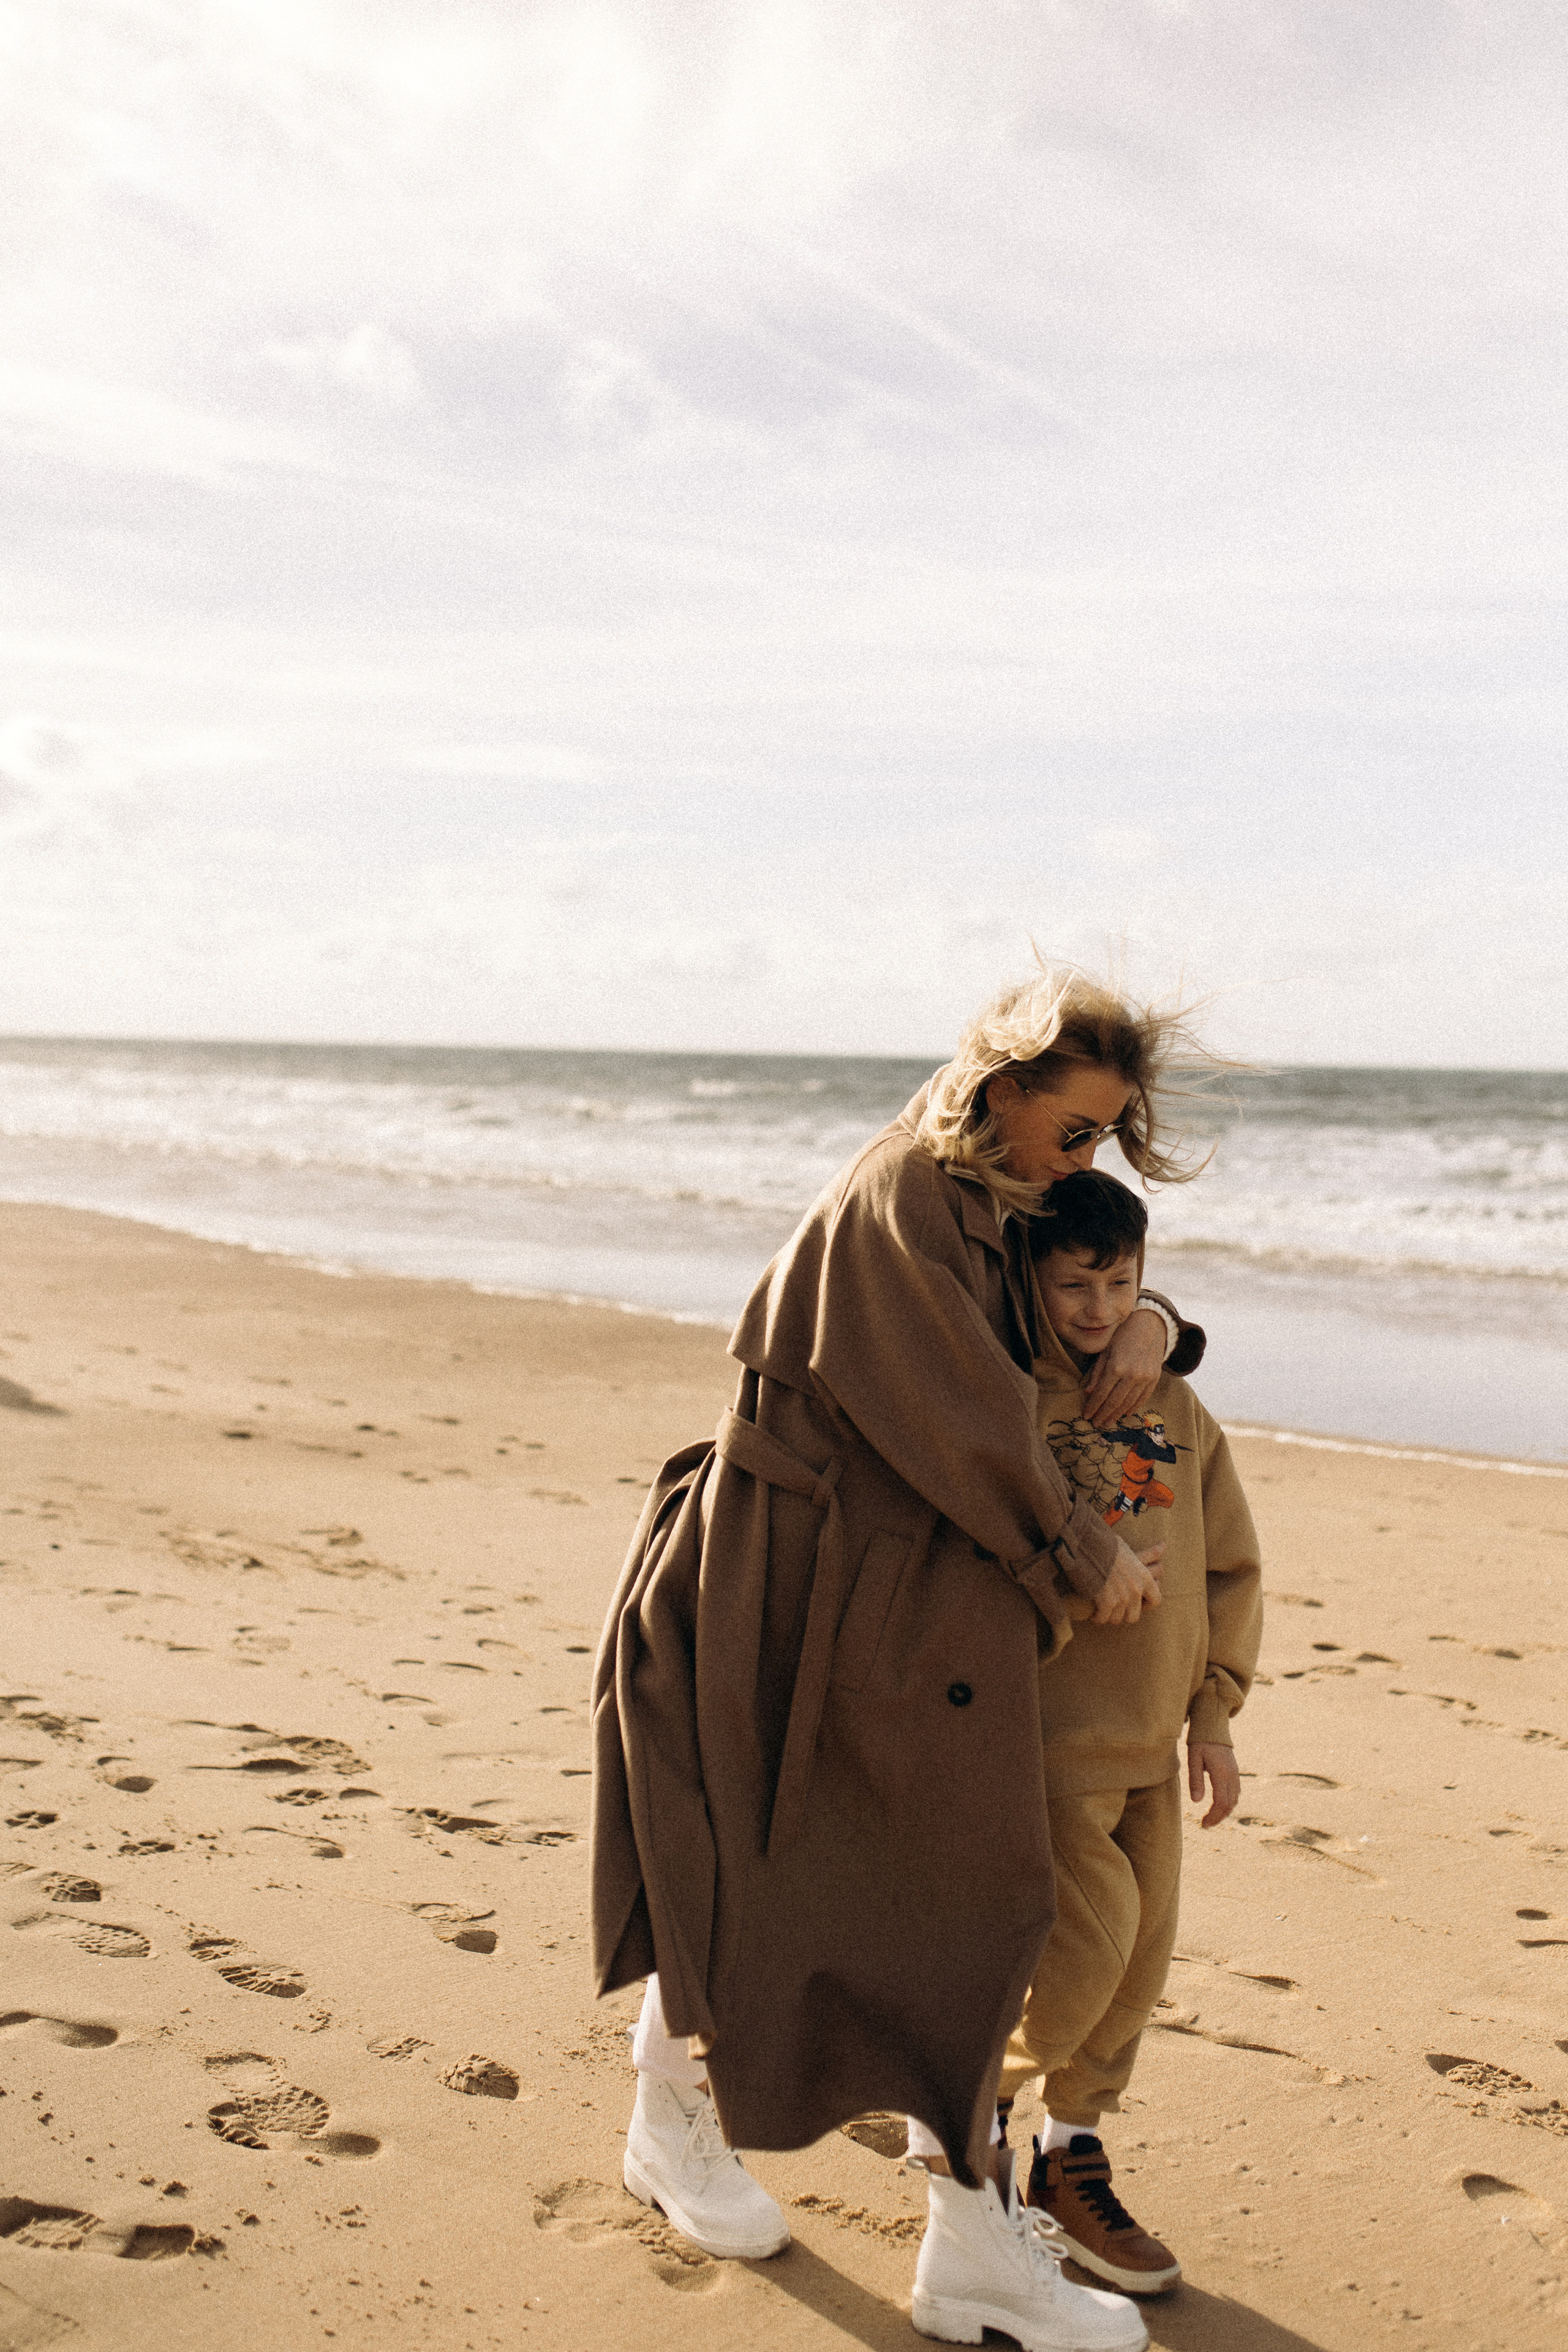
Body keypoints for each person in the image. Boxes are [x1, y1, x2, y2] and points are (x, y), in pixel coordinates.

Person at [592, 962, 1216, 2352]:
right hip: (786, 1578)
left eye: (1107, 1135)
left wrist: (1166, 1319)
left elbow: (1069, 1305)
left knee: (929, 1895)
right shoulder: (905, 1193)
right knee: (790, 1866)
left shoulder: (983, 1191)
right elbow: (965, 1417)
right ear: (1004, 1086)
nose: (1089, 1158)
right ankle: (695, 2136)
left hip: (875, 1592)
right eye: (1077, 1127)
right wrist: (1078, 1551)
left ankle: (963, 2243)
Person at [991, 1169, 1262, 2297]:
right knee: (1088, 1947)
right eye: (1074, 1285)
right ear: (1028, 1281)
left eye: (1121, 1285)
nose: (1099, 1309)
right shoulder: (1005, 1406)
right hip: (1051, 1742)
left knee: (1142, 1968)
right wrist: (1063, 1592)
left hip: (1157, 1744)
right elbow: (971, 1574)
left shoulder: (1179, 1406)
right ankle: (970, 2105)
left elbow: (1228, 1565)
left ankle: (1069, 2154)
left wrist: (1217, 1714)